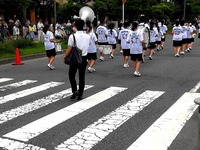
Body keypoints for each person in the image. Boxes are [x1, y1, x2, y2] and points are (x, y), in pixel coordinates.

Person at [64, 19, 90, 101]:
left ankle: (74, 90)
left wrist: (65, 56)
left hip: (75, 58)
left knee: (71, 75)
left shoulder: (72, 36)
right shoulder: (87, 36)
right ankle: (80, 93)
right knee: (81, 76)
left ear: (75, 26)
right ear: (83, 26)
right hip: (84, 57)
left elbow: (69, 48)